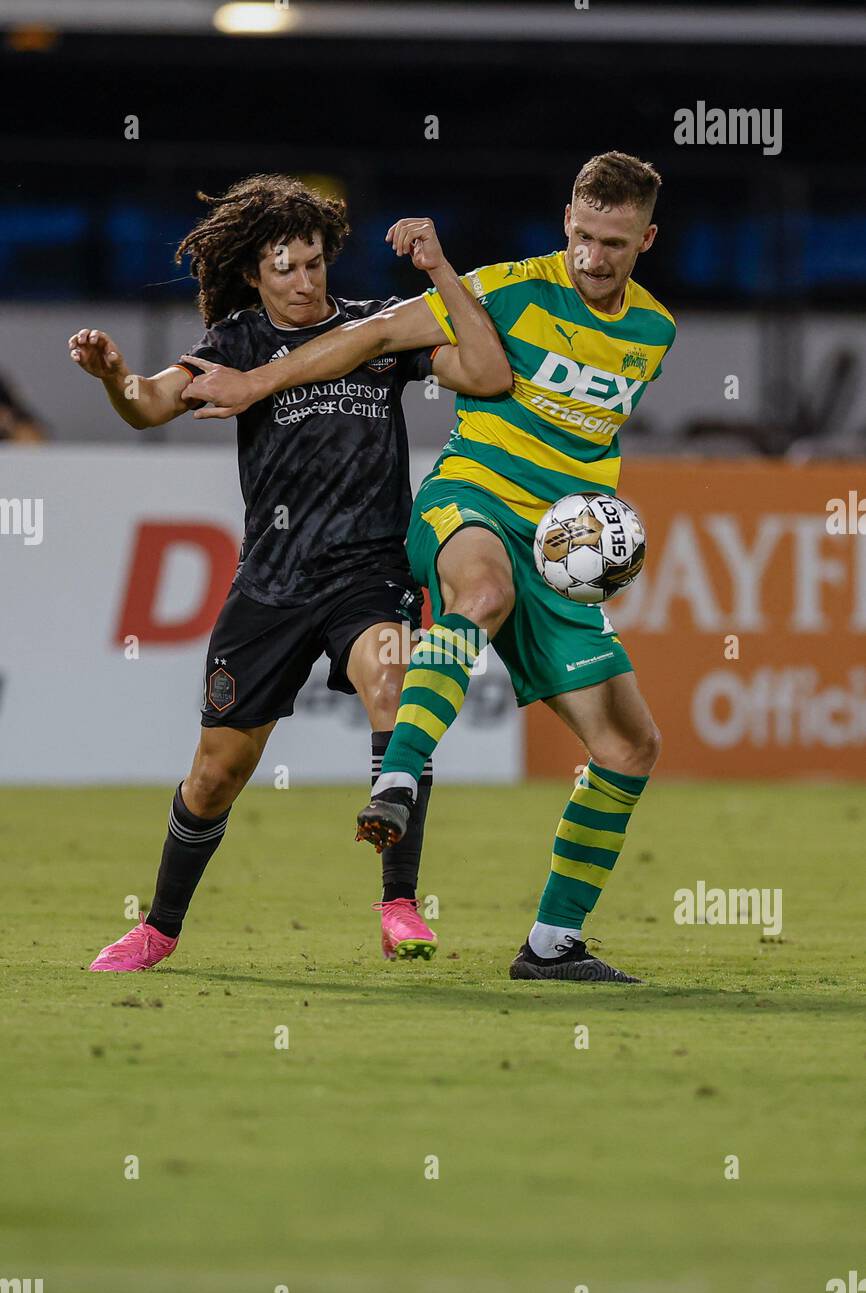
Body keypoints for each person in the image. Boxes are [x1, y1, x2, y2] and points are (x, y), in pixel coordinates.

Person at [180, 152, 676, 985]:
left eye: (615, 244)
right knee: (480, 590)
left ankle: (552, 946)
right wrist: (258, 380)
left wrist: (600, 534)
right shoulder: (506, 287)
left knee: (630, 746)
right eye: (584, 237)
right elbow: (369, 334)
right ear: (566, 222)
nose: (594, 257)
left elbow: (591, 442)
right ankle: (400, 777)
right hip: (470, 502)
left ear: (646, 241)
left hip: (558, 555)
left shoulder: (653, 332)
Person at [69, 174, 511, 972]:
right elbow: (146, 403)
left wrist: (442, 274)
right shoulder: (235, 343)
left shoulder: (378, 329)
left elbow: (488, 373)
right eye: (287, 268)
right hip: (272, 582)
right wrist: (111, 375)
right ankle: (159, 928)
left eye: (314, 263)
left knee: (392, 678)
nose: (306, 282)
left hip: (367, 568)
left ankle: (399, 904)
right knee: (216, 774)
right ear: (253, 274)